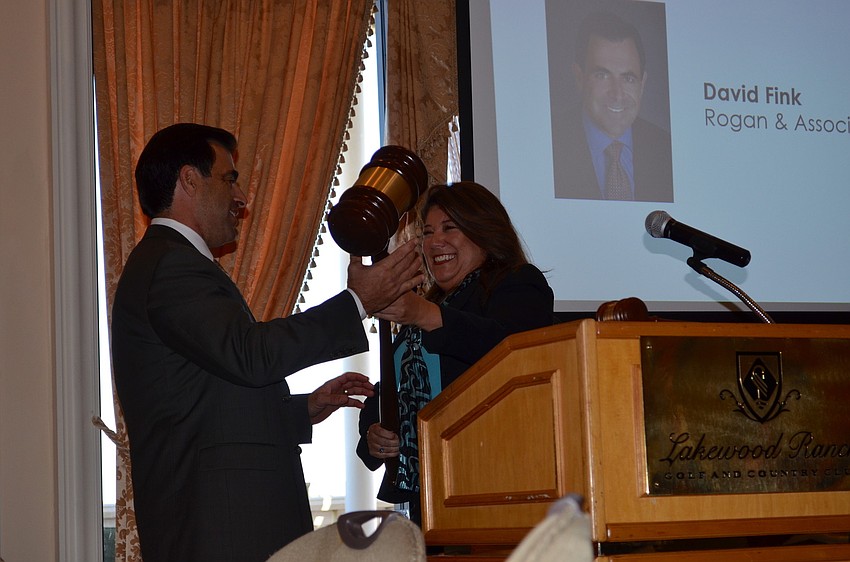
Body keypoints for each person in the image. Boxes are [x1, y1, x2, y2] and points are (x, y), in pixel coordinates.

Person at [110, 123, 424, 562]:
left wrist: (301, 410)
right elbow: (250, 354)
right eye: (230, 179)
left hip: (227, 519)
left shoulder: (171, 263)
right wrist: (358, 303)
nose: (242, 199)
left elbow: (207, 396)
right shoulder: (171, 267)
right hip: (220, 525)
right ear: (189, 179)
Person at [356, 181, 555, 525]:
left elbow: (511, 352)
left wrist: (425, 315)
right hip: (430, 491)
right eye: (428, 232)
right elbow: (389, 387)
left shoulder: (518, 282)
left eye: (450, 228)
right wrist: (373, 432)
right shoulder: (432, 301)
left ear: (484, 232)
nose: (435, 242)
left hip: (493, 482)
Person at [554, 9, 673, 202]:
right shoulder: (550, 139)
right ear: (579, 77)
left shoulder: (665, 149)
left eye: (628, 78)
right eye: (602, 75)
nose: (617, 94)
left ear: (642, 84)